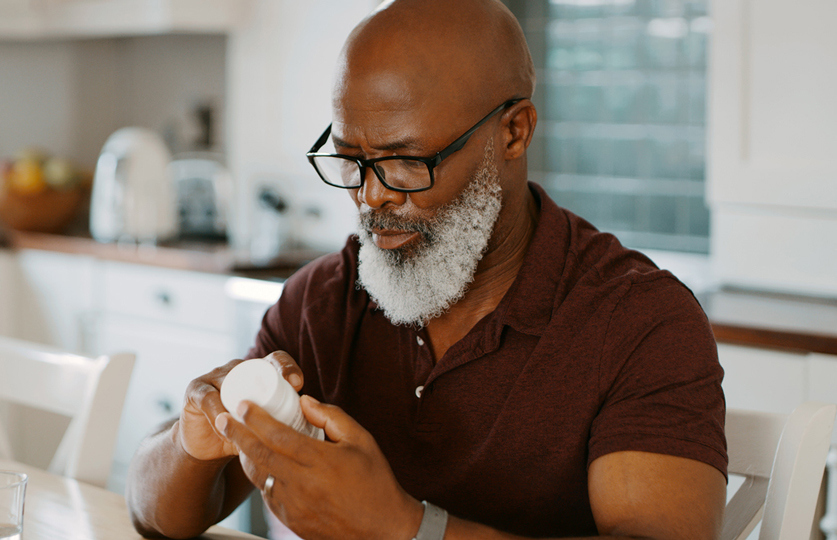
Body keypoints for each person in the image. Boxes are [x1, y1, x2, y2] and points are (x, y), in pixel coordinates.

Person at [125, 0, 727, 538]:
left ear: (514, 133)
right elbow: (154, 515)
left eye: (407, 162)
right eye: (351, 161)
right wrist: (190, 440)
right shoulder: (323, 303)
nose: (371, 197)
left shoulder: (639, 321)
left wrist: (405, 529)